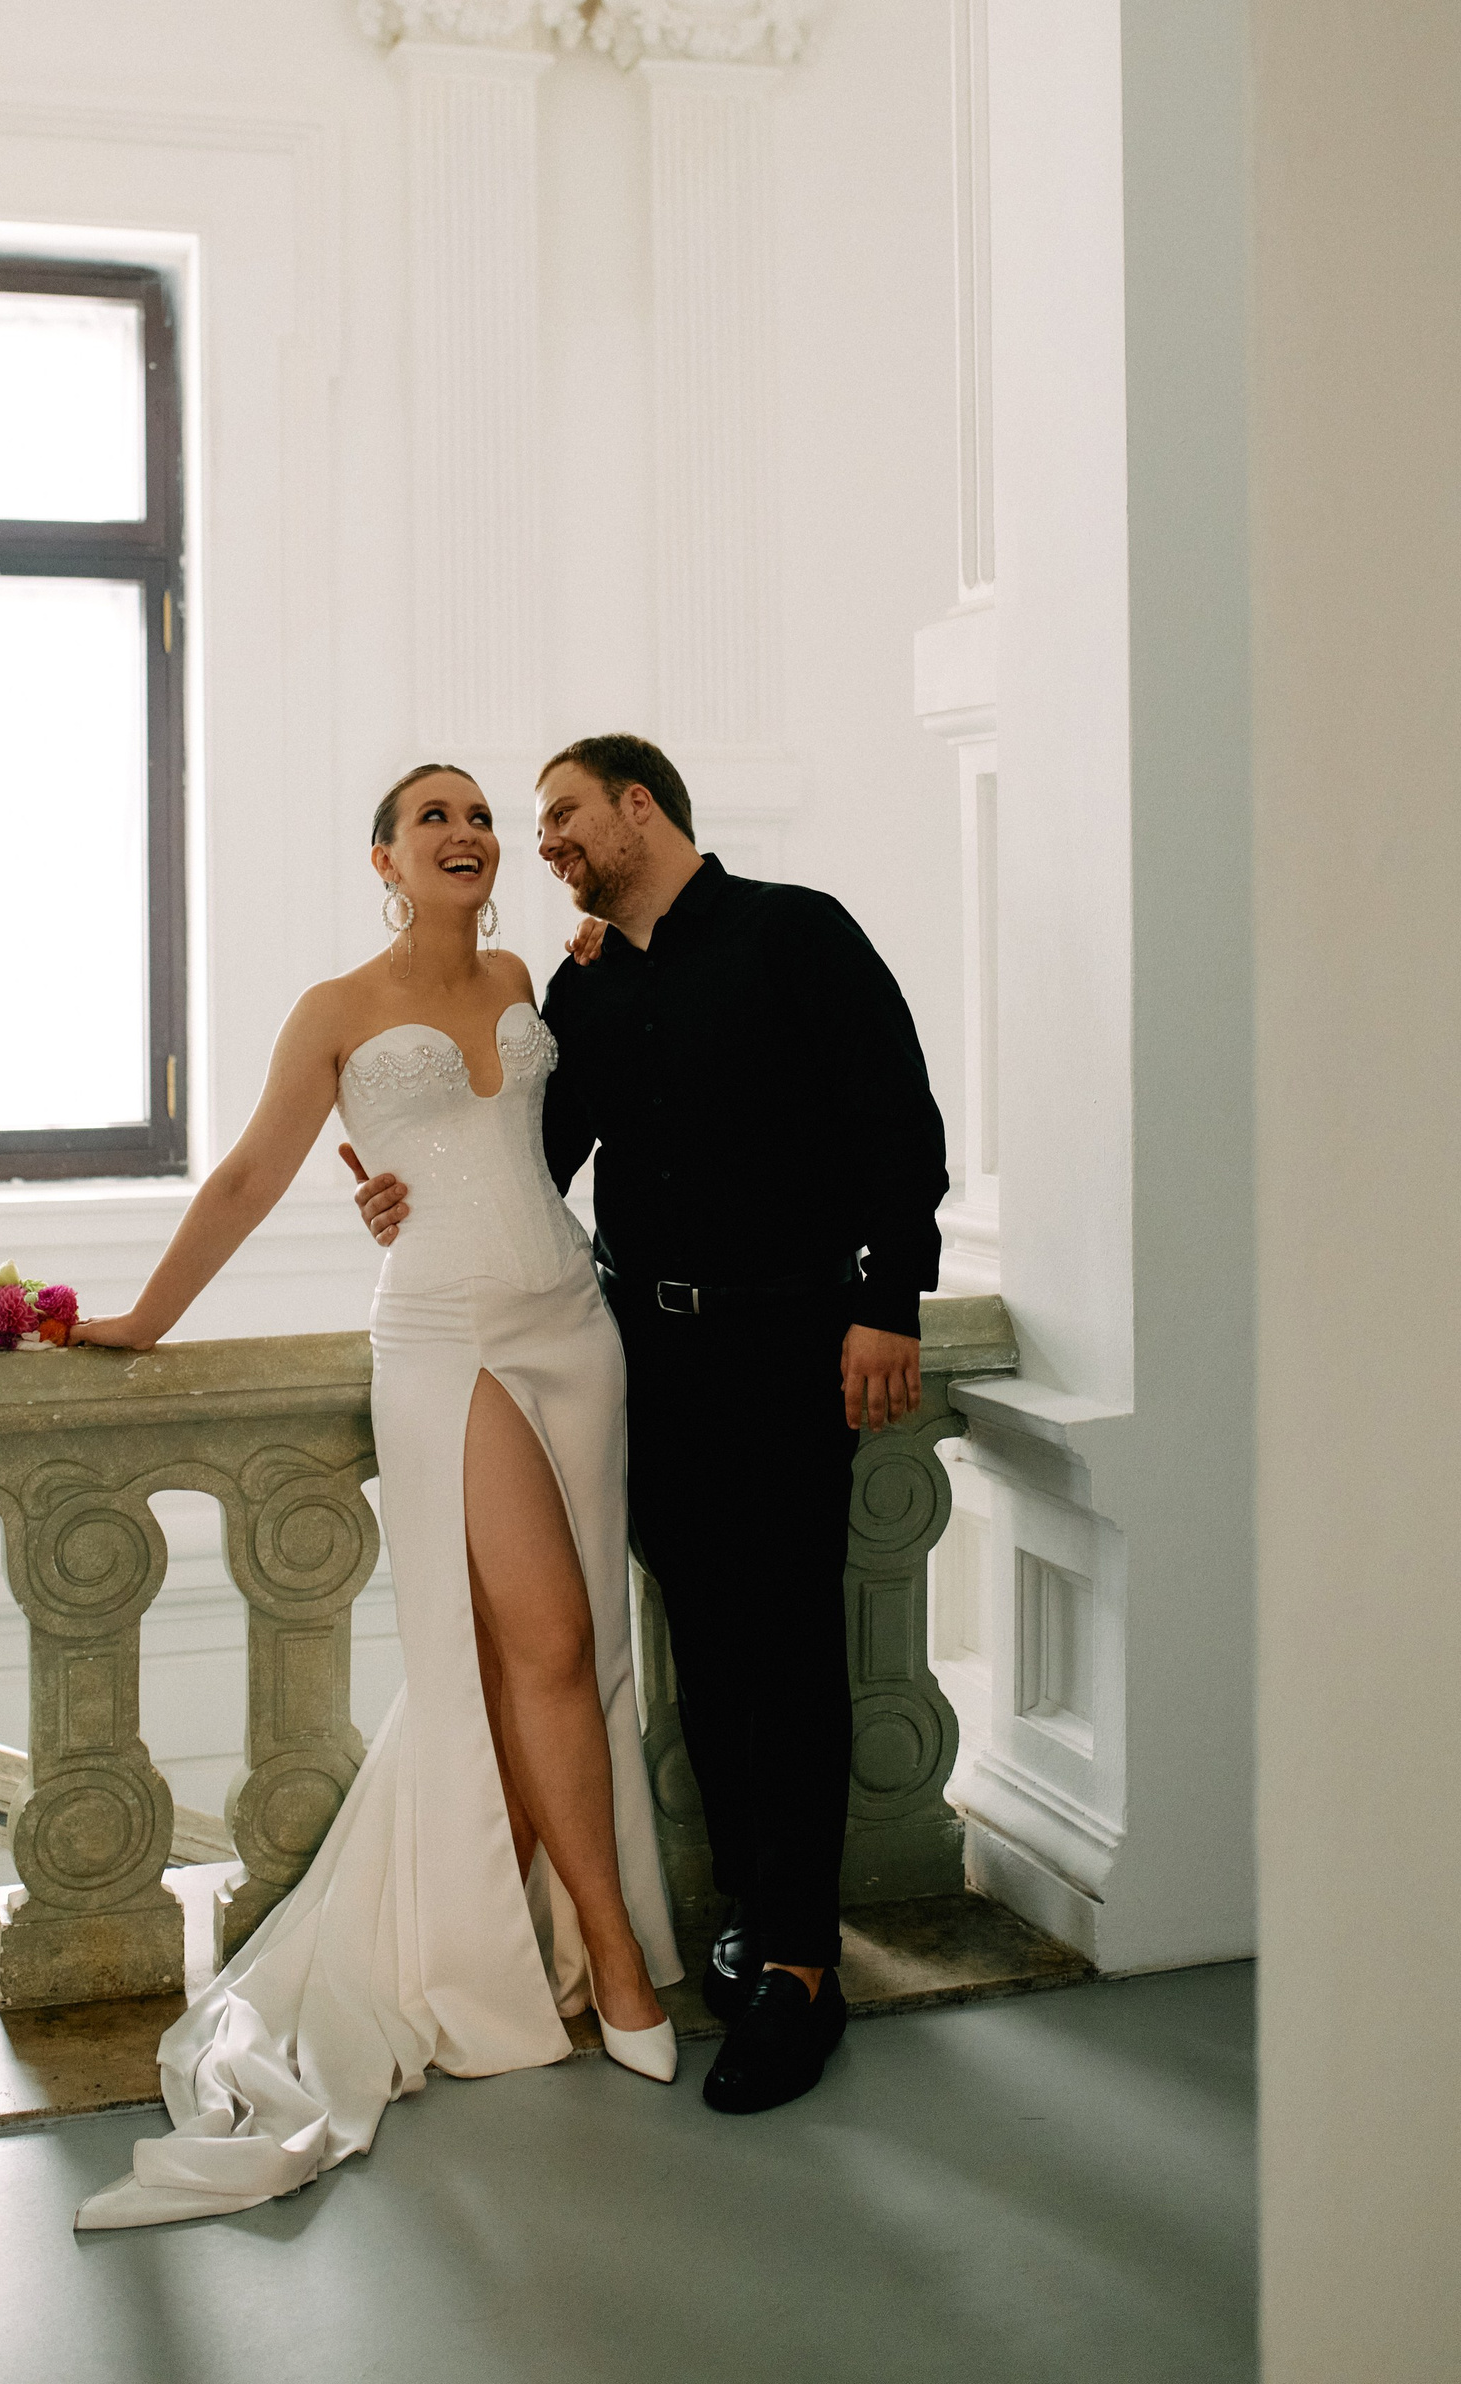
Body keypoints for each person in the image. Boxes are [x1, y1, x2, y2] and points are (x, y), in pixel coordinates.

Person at [70, 762, 681, 2232]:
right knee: (540, 1639)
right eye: (434, 819)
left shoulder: (536, 976)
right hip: (447, 1335)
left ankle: (510, 1927)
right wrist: (145, 1319)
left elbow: (538, 1142)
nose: (467, 834)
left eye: (481, 818)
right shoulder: (336, 1011)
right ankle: (613, 1961)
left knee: (578, 1646)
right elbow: (246, 1176)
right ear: (384, 862)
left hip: (575, 1324)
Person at [351, 735, 947, 2117]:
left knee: (788, 1641)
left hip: (791, 1343)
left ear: (639, 806)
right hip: (637, 1354)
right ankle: (751, 1918)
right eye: (535, 822)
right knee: (706, 1646)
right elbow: (527, 1156)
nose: (543, 839)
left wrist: (890, 1303)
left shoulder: (796, 932)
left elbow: (895, 1117)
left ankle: (802, 1967)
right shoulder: (585, 986)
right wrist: (403, 1192)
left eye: (560, 812)